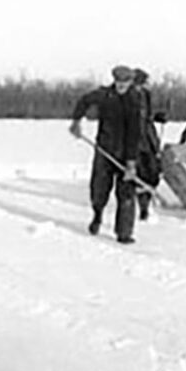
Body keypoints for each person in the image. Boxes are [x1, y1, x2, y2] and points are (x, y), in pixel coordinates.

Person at [68, 65, 141, 243]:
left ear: (131, 82)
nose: (121, 85)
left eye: (125, 82)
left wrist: (131, 162)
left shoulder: (135, 100)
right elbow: (84, 101)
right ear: (114, 80)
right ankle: (97, 214)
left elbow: (135, 132)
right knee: (99, 189)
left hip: (126, 153)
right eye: (118, 81)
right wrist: (76, 122)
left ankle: (124, 233)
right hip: (104, 149)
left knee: (126, 194)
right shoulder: (104, 95)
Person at [133, 67, 165, 221]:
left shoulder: (146, 95)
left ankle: (148, 200)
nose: (148, 85)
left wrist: (158, 117)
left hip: (149, 140)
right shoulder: (127, 98)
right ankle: (143, 207)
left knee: (153, 173)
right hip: (134, 142)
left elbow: (147, 118)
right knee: (141, 174)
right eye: (145, 82)